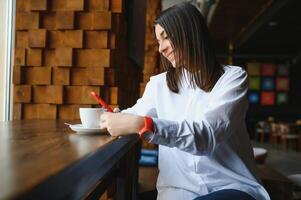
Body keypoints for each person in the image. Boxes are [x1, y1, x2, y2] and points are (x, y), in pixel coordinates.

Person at [100, 2, 270, 200]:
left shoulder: (232, 79)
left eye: (166, 37)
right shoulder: (159, 85)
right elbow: (132, 115)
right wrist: (109, 118)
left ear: (189, 32)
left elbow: (206, 135)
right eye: (157, 41)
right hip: (177, 192)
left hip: (229, 187)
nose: (161, 48)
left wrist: (145, 124)